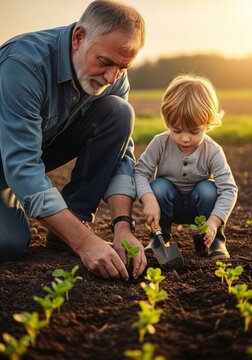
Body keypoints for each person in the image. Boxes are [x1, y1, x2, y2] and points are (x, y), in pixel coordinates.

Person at [0, 0, 147, 279]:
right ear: (79, 37)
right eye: (105, 62)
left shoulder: (113, 76)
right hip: (10, 159)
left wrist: (123, 225)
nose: (111, 76)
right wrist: (84, 242)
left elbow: (121, 155)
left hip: (25, 156)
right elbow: (23, 166)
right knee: (9, 245)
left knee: (118, 113)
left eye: (123, 67)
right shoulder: (24, 65)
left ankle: (69, 225)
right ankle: (71, 232)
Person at [134, 74, 238, 258]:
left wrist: (214, 222)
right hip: (168, 206)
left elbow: (229, 189)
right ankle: (160, 237)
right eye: (176, 130)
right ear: (167, 122)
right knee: (158, 187)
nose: (185, 138)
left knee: (208, 189)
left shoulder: (212, 150)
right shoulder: (160, 143)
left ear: (208, 123)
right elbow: (140, 172)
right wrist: (148, 199)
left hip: (199, 209)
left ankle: (214, 240)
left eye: (194, 131)